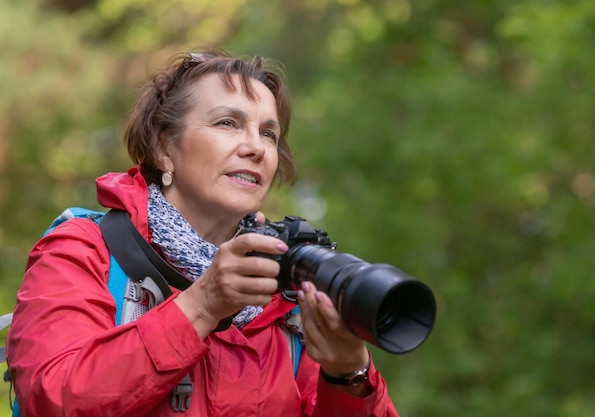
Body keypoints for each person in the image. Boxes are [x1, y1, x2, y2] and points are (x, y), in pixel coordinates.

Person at [6, 47, 400, 416]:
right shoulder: (84, 249)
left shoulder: (284, 297)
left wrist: (349, 373)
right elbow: (51, 397)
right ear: (163, 148)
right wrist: (202, 305)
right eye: (227, 123)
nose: (256, 148)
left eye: (268, 133)